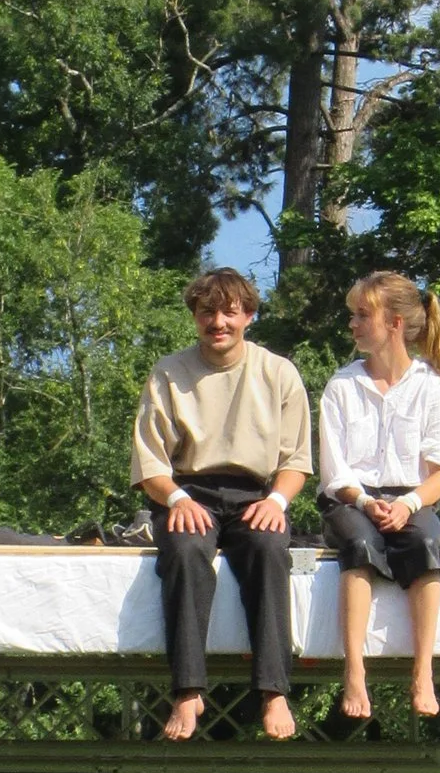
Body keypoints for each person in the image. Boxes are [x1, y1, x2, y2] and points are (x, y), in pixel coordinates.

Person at [131, 268, 315, 743]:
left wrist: (277, 500)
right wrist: (175, 497)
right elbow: (150, 463)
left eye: (229, 312)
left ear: (248, 316)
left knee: (270, 549)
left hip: (257, 494)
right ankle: (188, 690)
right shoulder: (168, 372)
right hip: (186, 490)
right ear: (195, 317)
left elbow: (296, 460)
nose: (218, 322)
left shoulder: (279, 373)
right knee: (187, 552)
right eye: (207, 312)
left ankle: (274, 691)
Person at [317, 271, 440, 722]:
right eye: (352, 315)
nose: (353, 325)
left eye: (362, 315)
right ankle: (355, 671)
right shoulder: (342, 386)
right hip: (350, 499)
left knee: (425, 545)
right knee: (359, 545)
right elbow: (334, 471)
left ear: (394, 323)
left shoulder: (431, 388)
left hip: (411, 499)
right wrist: (365, 502)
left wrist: (408, 505)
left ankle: (423, 672)